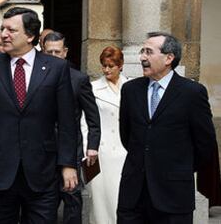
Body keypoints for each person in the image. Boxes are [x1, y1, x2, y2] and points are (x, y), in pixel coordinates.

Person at [0, 7, 78, 223]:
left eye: (11, 30)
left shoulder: (57, 68)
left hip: (42, 172)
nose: (4, 35)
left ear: (30, 35)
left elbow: (67, 121)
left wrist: (68, 165)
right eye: (3, 29)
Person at [117, 32, 217, 223]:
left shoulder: (192, 93)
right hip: (134, 194)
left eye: (148, 52)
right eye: (142, 51)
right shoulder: (130, 90)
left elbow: (205, 144)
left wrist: (178, 168)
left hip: (174, 196)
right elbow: (127, 135)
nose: (142, 57)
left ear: (169, 58)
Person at [43, 31, 101, 224]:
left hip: (71, 151)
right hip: (43, 151)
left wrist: (92, 145)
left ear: (65, 52)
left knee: (72, 199)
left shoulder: (79, 79)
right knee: (44, 203)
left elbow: (93, 117)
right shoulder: (35, 77)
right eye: (49, 52)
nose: (53, 56)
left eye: (57, 52)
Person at [81, 46, 128, 224]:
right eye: (104, 65)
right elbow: (85, 121)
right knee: (101, 204)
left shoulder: (130, 86)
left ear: (120, 65)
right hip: (101, 153)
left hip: (125, 152)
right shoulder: (93, 89)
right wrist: (89, 149)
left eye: (111, 66)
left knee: (122, 200)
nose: (107, 70)